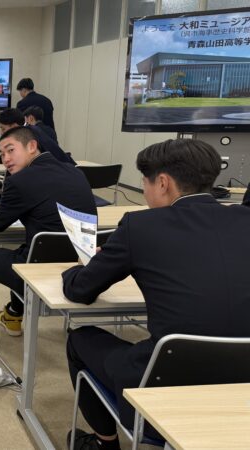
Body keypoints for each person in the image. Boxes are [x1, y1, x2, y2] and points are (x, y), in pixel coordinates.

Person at [63, 139, 250, 450]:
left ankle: (104, 443)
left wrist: (78, 268)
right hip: (241, 389)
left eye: (145, 182)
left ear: (163, 183)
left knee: (79, 340)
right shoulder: (244, 219)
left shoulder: (139, 226)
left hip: (162, 391)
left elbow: (81, 290)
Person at [0, 126, 95, 354]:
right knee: (25, 250)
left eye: (10, 150)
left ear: (32, 146)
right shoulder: (76, 173)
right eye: (2, 154)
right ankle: (13, 315)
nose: (5, 159)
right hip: (80, 269)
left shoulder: (20, 181)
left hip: (37, 272)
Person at [0, 108, 74, 165]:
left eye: (3, 129)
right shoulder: (31, 130)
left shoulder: (29, 136)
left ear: (14, 126)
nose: (2, 133)